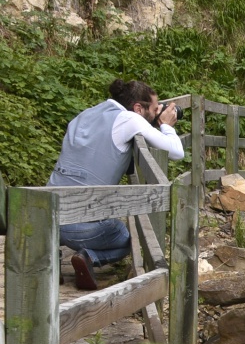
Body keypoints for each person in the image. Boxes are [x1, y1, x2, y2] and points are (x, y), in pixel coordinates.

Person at [48, 79, 184, 290]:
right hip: (78, 228)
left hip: (47, 218)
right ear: (138, 108)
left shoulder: (86, 114)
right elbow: (176, 152)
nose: (158, 111)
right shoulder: (129, 119)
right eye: (155, 108)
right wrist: (166, 126)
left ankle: (50, 256)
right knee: (129, 237)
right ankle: (89, 257)